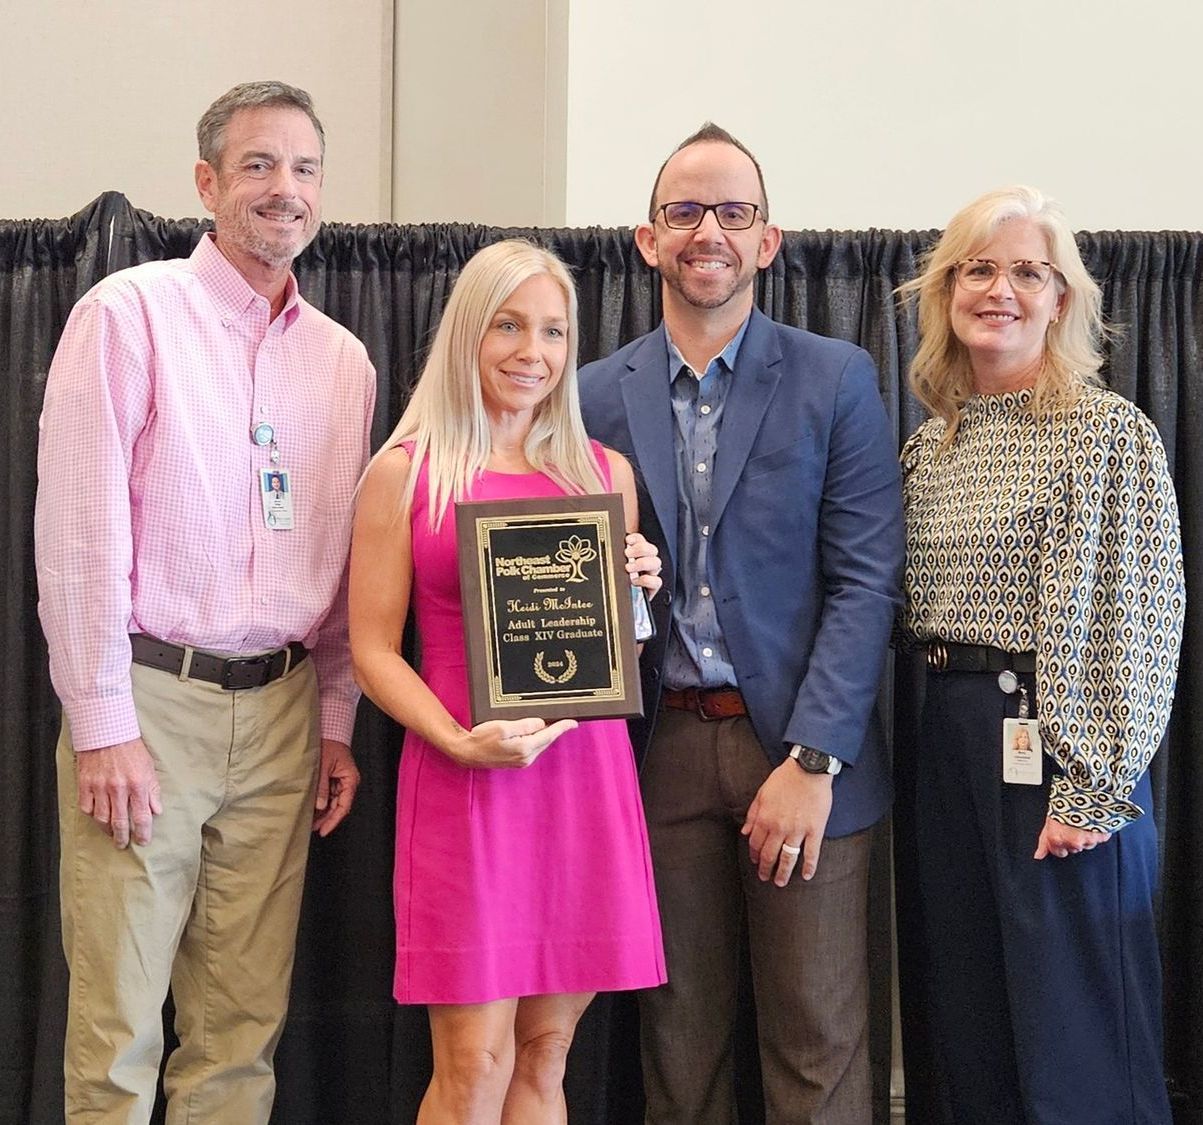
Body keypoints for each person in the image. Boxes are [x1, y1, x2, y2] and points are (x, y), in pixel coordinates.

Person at [34, 81, 376, 1123]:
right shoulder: (128, 316)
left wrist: (333, 722)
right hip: (150, 707)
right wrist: (101, 726)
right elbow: (80, 537)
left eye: (305, 169)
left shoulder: (344, 363)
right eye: (260, 165)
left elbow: (339, 566)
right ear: (207, 183)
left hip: (279, 720)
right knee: (117, 1035)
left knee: (239, 1039)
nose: (285, 190)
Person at [578, 124, 903, 1124]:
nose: (707, 230)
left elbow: (866, 581)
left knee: (815, 1048)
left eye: (733, 212)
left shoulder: (835, 377)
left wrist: (813, 764)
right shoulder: (591, 393)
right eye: (684, 211)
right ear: (647, 239)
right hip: (659, 748)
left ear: (769, 240)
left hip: (802, 755)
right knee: (680, 1047)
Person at [349, 238, 666, 1124]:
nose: (534, 351)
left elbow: (618, 663)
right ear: (467, 334)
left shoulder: (603, 476)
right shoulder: (406, 473)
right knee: (474, 1065)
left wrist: (637, 594)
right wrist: (456, 739)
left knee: (545, 1054)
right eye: (510, 325)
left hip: (583, 780)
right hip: (465, 778)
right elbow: (372, 648)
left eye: (554, 331)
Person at [898, 185, 1183, 1123]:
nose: (1000, 289)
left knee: (1077, 1038)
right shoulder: (927, 448)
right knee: (972, 1024)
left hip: (1057, 742)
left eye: (1028, 270)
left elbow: (1141, 623)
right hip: (948, 743)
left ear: (1062, 299)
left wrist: (1092, 784)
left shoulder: (1111, 435)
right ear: (945, 292)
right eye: (977, 268)